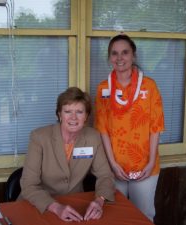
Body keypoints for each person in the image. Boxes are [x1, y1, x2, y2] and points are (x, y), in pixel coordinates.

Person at [94, 34, 165, 221]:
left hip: (144, 167)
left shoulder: (149, 87)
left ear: (134, 55)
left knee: (143, 216)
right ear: (109, 58)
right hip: (114, 167)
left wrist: (150, 163)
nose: (119, 58)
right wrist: (112, 164)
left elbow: (155, 127)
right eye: (114, 53)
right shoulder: (103, 89)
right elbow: (103, 130)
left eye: (125, 52)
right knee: (114, 216)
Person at [19, 87, 115, 222]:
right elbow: (28, 185)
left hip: (75, 206)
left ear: (86, 116)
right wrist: (56, 207)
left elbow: (105, 175)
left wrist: (100, 200)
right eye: (68, 111)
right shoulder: (39, 137)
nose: (73, 117)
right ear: (59, 114)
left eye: (79, 112)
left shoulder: (93, 137)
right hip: (39, 205)